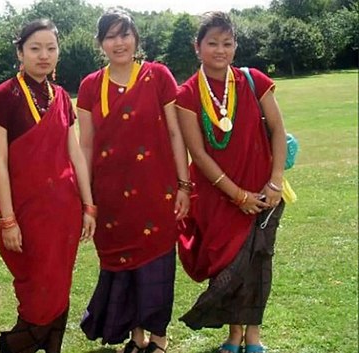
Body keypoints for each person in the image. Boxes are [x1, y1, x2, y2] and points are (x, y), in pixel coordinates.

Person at [76, 9, 191, 353]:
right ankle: (134, 335)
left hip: (156, 189)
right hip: (110, 196)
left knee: (156, 263)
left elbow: (174, 132)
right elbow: (85, 144)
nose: (118, 42)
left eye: (124, 34)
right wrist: (87, 199)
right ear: (100, 44)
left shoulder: (157, 76)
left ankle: (158, 338)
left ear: (136, 38)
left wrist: (184, 185)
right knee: (121, 265)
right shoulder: (90, 86)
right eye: (110, 36)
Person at [175, 11, 287, 353]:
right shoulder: (188, 93)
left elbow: (278, 131)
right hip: (217, 197)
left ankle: (252, 335)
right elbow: (198, 152)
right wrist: (237, 195)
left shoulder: (254, 81)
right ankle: (233, 333)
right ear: (198, 47)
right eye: (212, 43)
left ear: (235, 45)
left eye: (227, 43)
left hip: (264, 192)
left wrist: (275, 182)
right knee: (226, 262)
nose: (220, 50)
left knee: (258, 262)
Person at [0, 18, 97, 353]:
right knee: (37, 292)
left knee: (60, 288)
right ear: (20, 52)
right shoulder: (2, 96)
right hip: (27, 213)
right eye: (35, 48)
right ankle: (12, 347)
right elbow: (0, 164)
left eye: (51, 48)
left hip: (64, 210)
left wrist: (88, 205)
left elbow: (75, 155)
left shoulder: (61, 97)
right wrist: (7, 219)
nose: (43, 55)